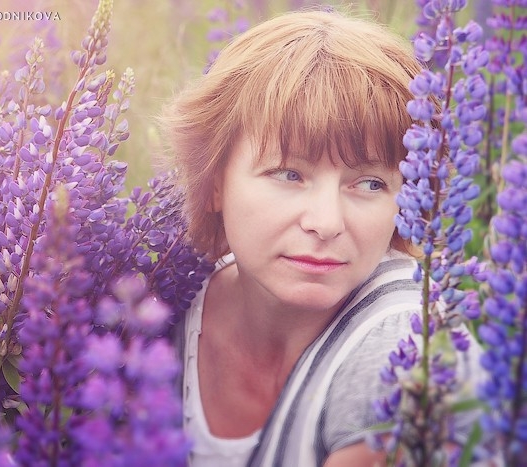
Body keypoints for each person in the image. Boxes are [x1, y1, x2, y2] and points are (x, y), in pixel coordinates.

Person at [160, 8, 483, 467]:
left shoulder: (410, 339)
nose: (326, 222)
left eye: (370, 183)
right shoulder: (161, 297)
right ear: (213, 183)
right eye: (289, 174)